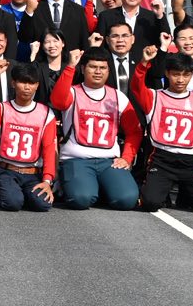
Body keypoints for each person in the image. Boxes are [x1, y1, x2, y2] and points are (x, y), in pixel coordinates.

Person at [49, 49, 142, 211]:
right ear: (83, 68)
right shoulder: (72, 92)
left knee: (126, 200)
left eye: (103, 68)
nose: (98, 72)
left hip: (108, 161)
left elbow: (134, 131)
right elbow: (57, 101)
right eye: (93, 67)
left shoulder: (118, 97)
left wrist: (126, 158)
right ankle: (77, 185)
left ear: (108, 70)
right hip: (76, 159)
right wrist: (70, 66)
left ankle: (100, 187)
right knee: (80, 199)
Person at [130, 49, 193, 214]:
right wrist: (143, 63)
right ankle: (156, 189)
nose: (180, 80)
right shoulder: (154, 97)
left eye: (186, 75)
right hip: (162, 160)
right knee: (150, 203)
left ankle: (186, 194)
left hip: (191, 163)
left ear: (191, 75)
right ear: (167, 73)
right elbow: (136, 86)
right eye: (176, 74)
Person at [0, 64, 58, 213]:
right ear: (13, 83)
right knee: (13, 204)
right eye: (23, 82)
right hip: (7, 170)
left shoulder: (46, 113)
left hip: (33, 173)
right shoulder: (2, 109)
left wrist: (47, 180)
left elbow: (49, 148)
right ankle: (5, 192)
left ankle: (21, 194)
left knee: (43, 205)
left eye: (31, 83)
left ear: (37, 85)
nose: (27, 87)